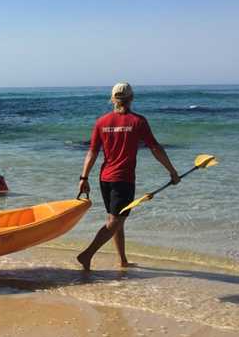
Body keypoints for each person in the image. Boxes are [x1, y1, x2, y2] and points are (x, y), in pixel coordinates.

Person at [76, 82, 180, 271]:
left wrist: (83, 178)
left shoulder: (102, 121)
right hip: (123, 179)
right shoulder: (138, 121)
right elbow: (155, 148)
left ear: (112, 98)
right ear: (132, 98)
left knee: (116, 220)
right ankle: (87, 254)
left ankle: (122, 260)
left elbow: (92, 152)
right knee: (116, 221)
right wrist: (172, 171)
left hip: (104, 178)